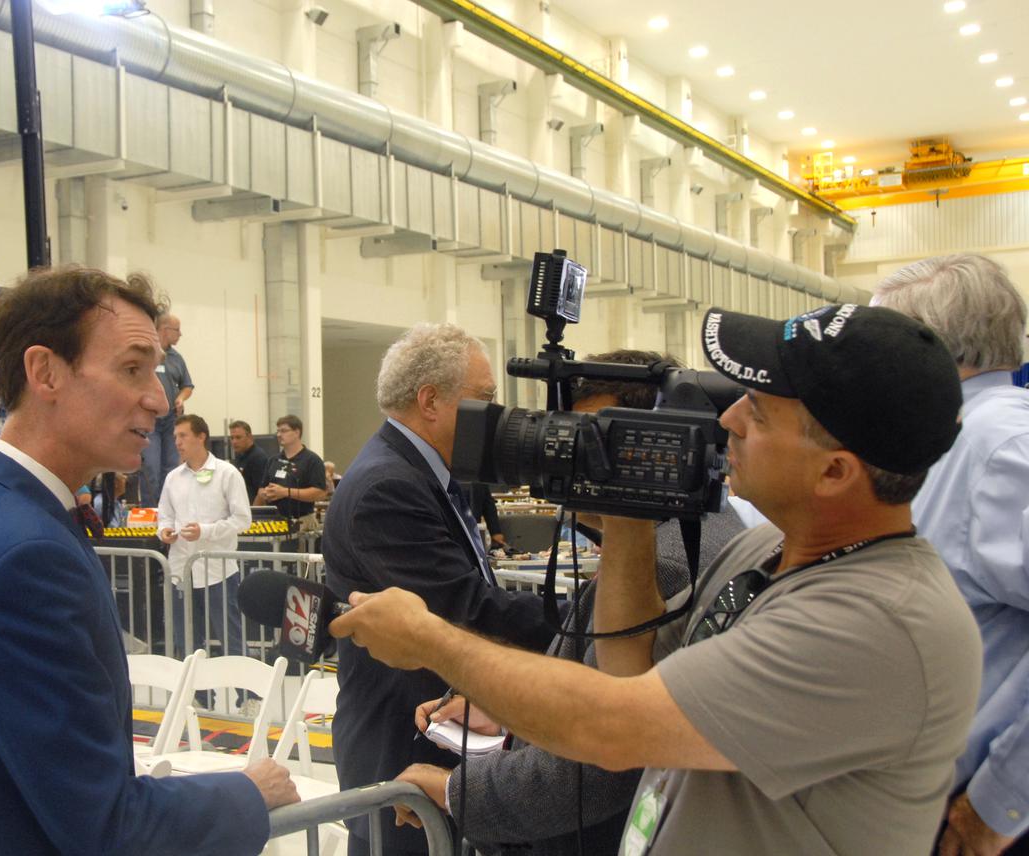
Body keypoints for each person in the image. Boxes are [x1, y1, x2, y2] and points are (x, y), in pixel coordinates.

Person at [331, 304, 983, 856]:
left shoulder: (872, 621)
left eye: (756, 411)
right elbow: (625, 668)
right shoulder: (764, 554)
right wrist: (626, 514)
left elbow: (613, 728)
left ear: (835, 472)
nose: (725, 423)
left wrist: (433, 642)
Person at [0, 266, 296, 856]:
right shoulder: (25, 558)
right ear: (45, 372)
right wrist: (247, 794)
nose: (157, 398)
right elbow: (107, 829)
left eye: (155, 371)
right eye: (132, 368)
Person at [394, 350, 746, 856]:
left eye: (590, 441)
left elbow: (600, 756)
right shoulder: (683, 532)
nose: (562, 457)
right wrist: (515, 712)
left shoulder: (666, 564)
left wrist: (456, 790)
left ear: (657, 445)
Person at [323, 322, 555, 856]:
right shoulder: (389, 486)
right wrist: (579, 629)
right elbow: (464, 608)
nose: (496, 415)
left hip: (446, 730)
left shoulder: (426, 474)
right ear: (430, 401)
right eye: (486, 398)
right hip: (405, 746)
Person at [872, 254, 1029, 856]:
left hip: (983, 826)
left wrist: (997, 803)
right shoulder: (954, 441)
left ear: (928, 352)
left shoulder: (998, 449)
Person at [157, 414, 252, 659]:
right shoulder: (173, 478)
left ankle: (247, 695)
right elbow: (165, 515)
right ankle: (199, 696)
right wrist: (164, 531)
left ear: (201, 437)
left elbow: (243, 520)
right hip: (181, 570)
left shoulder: (227, 473)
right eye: (175, 436)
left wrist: (205, 531)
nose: (177, 442)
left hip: (217, 570)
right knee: (187, 639)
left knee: (231, 636)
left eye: (183, 436)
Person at [140, 314, 194, 506]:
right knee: (151, 469)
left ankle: (169, 512)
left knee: (172, 470)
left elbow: (187, 385)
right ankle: (151, 512)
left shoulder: (177, 358)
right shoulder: (148, 352)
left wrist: (180, 397)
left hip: (172, 421)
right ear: (164, 330)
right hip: (151, 421)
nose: (180, 334)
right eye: (177, 330)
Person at [253, 415, 327, 531]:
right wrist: (265, 494)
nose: (278, 435)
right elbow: (261, 489)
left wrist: (286, 492)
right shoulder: (273, 460)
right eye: (277, 431)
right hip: (275, 523)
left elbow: (320, 493)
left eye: (283, 431)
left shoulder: (312, 460)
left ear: (297, 432)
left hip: (303, 523)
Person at [228, 420, 269, 496]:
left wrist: (254, 508)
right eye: (232, 438)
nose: (234, 441)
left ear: (250, 437)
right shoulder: (240, 455)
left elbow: (262, 492)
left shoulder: (258, 458)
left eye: (238, 437)